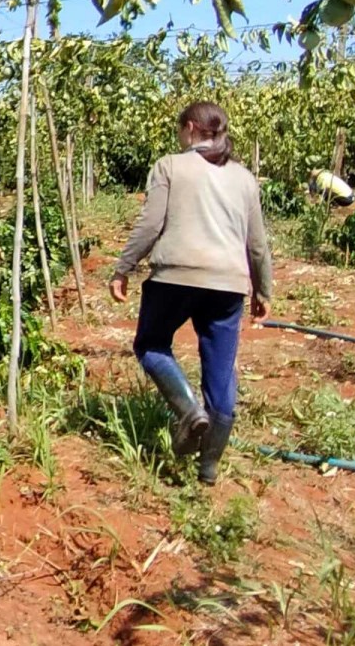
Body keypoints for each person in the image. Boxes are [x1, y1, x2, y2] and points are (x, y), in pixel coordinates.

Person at [109, 101, 272, 484]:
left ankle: (188, 412)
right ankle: (209, 467)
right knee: (220, 371)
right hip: (228, 285)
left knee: (150, 344)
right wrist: (263, 289)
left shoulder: (171, 166)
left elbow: (151, 224)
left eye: (180, 129)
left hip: (175, 277)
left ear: (191, 128)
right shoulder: (244, 179)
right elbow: (258, 244)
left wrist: (124, 267)